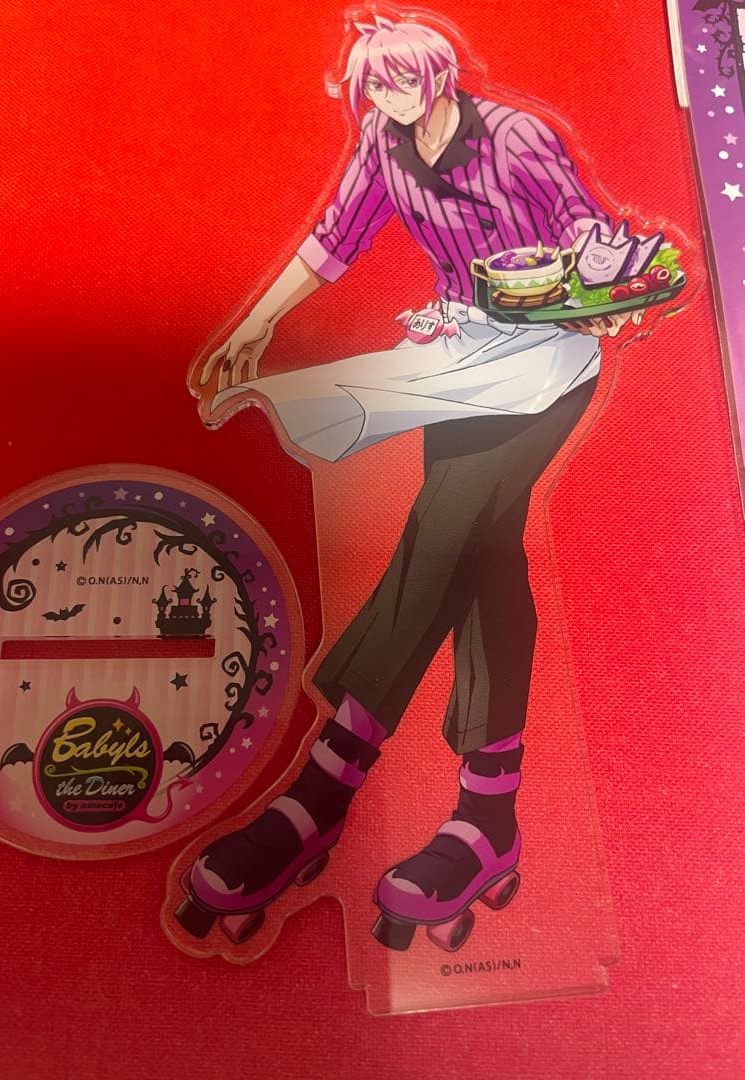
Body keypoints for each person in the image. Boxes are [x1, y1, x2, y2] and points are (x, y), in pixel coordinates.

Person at [177, 15, 639, 950]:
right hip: (459, 362)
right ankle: (489, 817)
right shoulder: (384, 145)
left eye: (393, 85)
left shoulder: (515, 136)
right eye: (370, 89)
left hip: (548, 363)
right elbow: (333, 238)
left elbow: (591, 233)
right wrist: (256, 324)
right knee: (483, 555)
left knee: (440, 534)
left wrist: (598, 288)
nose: (382, 102)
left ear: (434, 76)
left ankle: (325, 786)